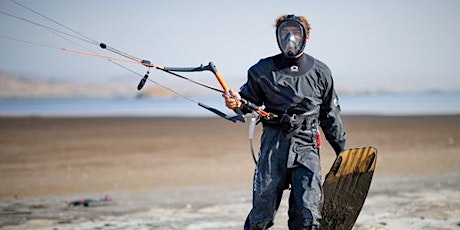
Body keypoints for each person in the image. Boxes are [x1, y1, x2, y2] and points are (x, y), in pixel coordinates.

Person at [223, 14, 347, 230]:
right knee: (261, 216)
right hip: (273, 145)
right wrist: (235, 103)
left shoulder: (321, 73)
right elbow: (247, 104)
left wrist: (342, 151)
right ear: (278, 37)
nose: (290, 38)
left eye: (296, 32)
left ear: (307, 36)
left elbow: (330, 116)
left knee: (307, 216)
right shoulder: (261, 70)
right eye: (285, 33)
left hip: (307, 146)